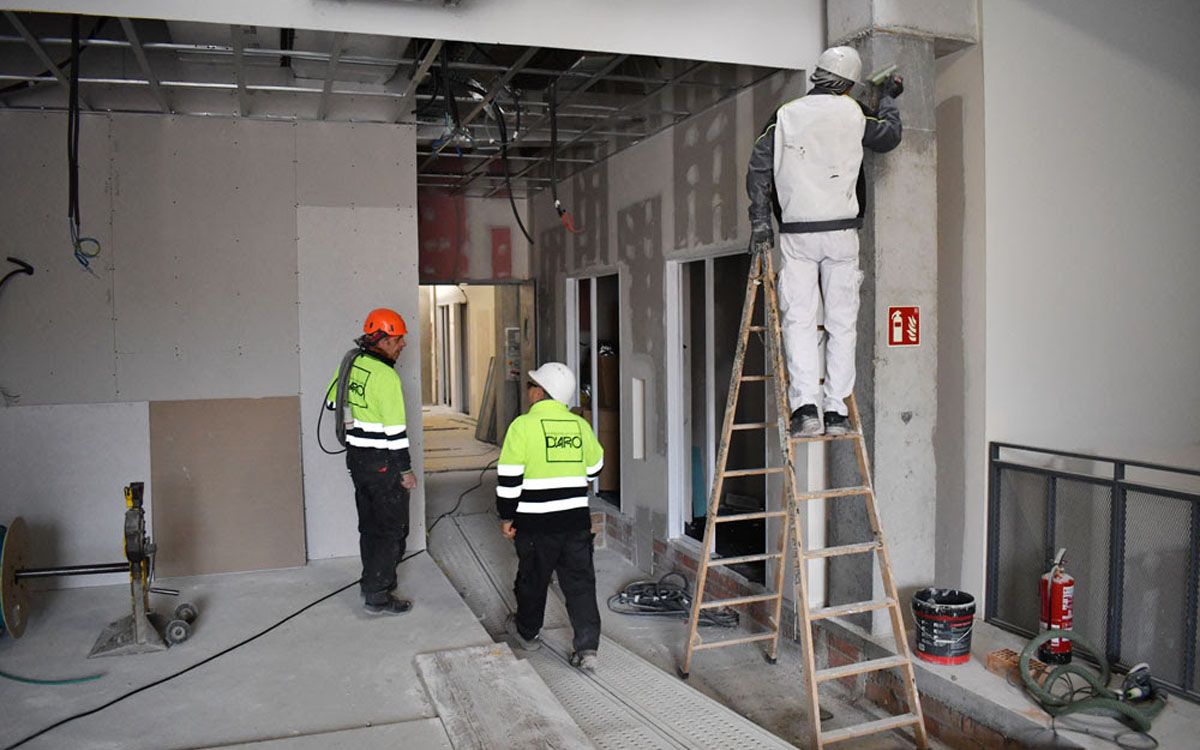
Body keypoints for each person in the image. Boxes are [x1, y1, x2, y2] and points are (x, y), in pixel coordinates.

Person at [746, 46, 903, 437]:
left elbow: (758, 168)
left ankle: (805, 409)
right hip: (840, 234)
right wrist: (888, 98)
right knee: (841, 324)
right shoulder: (853, 112)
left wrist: (760, 222)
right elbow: (887, 136)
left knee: (798, 322)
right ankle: (836, 411)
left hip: (797, 235)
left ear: (816, 76)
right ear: (848, 84)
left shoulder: (785, 115)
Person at [496, 362, 604, 671]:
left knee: (533, 579)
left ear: (540, 393)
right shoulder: (579, 426)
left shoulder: (522, 426)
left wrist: (507, 517)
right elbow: (595, 469)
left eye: (532, 385)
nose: (529, 389)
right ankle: (587, 649)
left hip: (536, 525)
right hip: (574, 522)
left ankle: (527, 633)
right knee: (580, 583)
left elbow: (509, 478)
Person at [327, 307, 418, 615]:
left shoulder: (352, 365)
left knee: (369, 524)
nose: (403, 344)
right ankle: (378, 593)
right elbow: (396, 433)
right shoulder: (386, 376)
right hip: (383, 462)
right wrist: (405, 471)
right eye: (398, 339)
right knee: (392, 528)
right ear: (382, 339)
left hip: (357, 459)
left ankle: (372, 581)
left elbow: (331, 402)